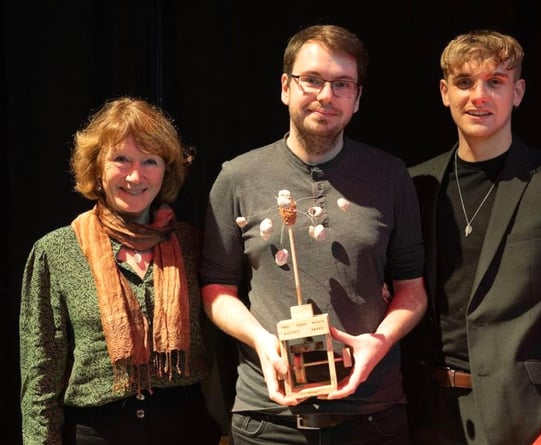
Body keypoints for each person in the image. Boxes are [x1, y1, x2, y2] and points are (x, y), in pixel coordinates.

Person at [199, 24, 427, 445]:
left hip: (372, 417)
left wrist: (378, 341)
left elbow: (412, 291)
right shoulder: (237, 177)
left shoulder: (391, 176)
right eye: (313, 80)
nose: (326, 95)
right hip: (268, 419)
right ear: (286, 87)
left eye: (342, 84)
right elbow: (216, 289)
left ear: (357, 98)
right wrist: (261, 341)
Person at [406, 30, 541, 445]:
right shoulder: (416, 183)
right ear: (444, 91)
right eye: (465, 82)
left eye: (496, 82)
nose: (479, 96)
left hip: (517, 419)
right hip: (420, 412)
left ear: (518, 92)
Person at [19, 97, 222, 445]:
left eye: (150, 161)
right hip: (95, 433)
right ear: (97, 166)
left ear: (167, 170)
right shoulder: (55, 251)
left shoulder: (193, 244)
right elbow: (41, 373)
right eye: (121, 159)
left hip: (186, 429)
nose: (134, 175)